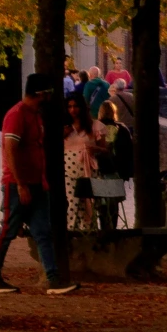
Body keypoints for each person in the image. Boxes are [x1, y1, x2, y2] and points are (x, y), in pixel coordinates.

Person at [0, 74, 77, 295]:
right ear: (39, 93)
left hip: (35, 183)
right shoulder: (17, 115)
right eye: (47, 93)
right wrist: (20, 184)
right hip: (19, 184)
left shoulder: (35, 115)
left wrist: (40, 181)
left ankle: (53, 279)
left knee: (42, 231)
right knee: (8, 228)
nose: (49, 97)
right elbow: (10, 150)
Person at [90, 101, 132, 230]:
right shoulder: (122, 128)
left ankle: (105, 229)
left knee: (103, 203)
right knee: (113, 203)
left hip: (103, 168)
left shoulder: (98, 127)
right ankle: (112, 229)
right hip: (117, 170)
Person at [63, 94, 97, 232]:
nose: (73, 110)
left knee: (89, 203)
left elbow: (105, 150)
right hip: (69, 167)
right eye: (69, 106)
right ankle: (72, 230)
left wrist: (94, 149)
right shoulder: (64, 127)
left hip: (88, 167)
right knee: (73, 201)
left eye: (75, 106)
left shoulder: (94, 126)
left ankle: (88, 230)